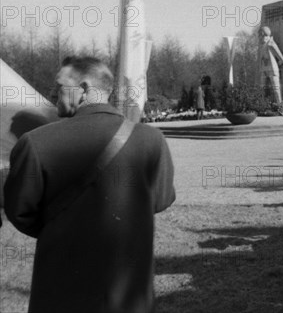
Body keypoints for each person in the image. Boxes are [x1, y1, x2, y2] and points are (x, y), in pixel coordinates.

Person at [4, 56, 176, 313]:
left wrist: (63, 228)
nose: (51, 92)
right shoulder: (152, 140)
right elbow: (160, 200)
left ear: (83, 89)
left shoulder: (34, 143)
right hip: (128, 295)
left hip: (61, 293)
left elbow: (20, 212)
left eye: (58, 85)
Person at [257, 26, 283, 105]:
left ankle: (280, 106)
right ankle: (262, 106)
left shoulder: (271, 44)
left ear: (264, 34)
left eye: (260, 35)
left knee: (276, 89)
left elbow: (281, 59)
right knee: (262, 89)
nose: (259, 37)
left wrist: (277, 66)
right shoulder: (261, 46)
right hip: (263, 69)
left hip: (272, 69)